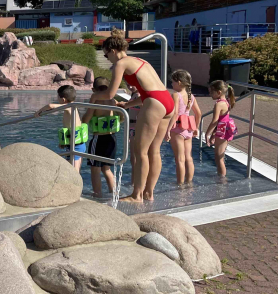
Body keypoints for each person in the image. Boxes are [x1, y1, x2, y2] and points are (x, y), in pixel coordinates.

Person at [101, 30, 174, 203]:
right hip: (166, 101)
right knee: (154, 151)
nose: (108, 59)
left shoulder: (121, 64)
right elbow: (149, 92)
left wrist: (95, 97)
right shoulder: (141, 61)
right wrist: (127, 105)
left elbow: (110, 93)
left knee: (140, 151)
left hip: (154, 102)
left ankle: (137, 195)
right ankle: (149, 193)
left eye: (105, 56)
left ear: (111, 50)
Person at [82, 78, 118, 197]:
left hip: (99, 138)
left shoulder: (95, 100)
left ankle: (97, 193)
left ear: (94, 90)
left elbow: (85, 120)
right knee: (106, 168)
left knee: (95, 169)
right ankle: (114, 192)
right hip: (112, 138)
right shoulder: (113, 100)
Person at [35, 85, 85, 172]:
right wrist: (64, 142)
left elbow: (50, 105)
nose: (57, 99)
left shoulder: (70, 107)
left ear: (63, 99)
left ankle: (74, 185)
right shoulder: (72, 107)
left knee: (74, 171)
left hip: (76, 145)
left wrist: (39, 112)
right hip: (75, 144)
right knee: (71, 169)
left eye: (57, 97)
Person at [166, 70, 201, 186]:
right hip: (188, 129)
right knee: (188, 158)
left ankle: (179, 185)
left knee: (179, 159)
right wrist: (196, 127)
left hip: (177, 130)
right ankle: (189, 183)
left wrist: (167, 131)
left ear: (179, 82)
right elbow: (198, 113)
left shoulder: (176, 95)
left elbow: (175, 114)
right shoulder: (191, 96)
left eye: (173, 82)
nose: (172, 84)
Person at [205, 80, 237, 177]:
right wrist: (214, 134)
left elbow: (214, 121)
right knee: (218, 156)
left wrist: (207, 134)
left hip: (223, 131)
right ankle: (220, 176)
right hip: (223, 130)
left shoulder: (219, 104)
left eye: (211, 92)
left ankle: (222, 180)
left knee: (219, 158)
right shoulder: (225, 102)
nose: (210, 94)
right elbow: (220, 121)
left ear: (219, 92)